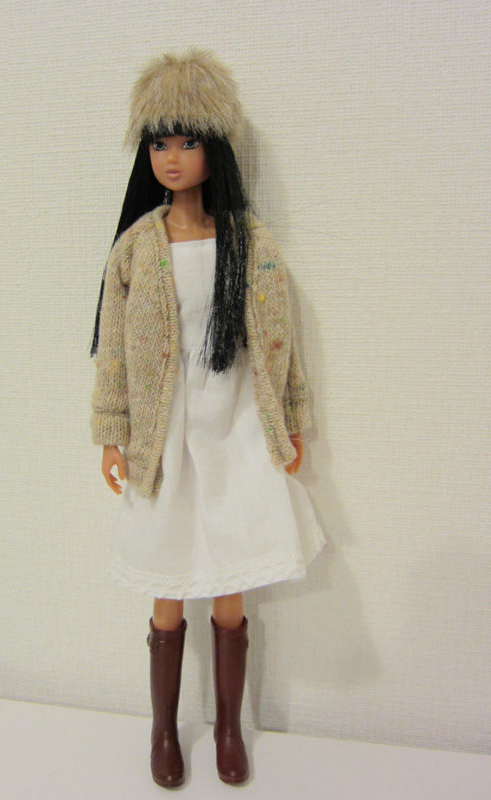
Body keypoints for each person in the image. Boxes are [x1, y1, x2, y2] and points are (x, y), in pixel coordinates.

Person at [90, 49, 325, 788]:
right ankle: (163, 729)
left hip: (235, 433)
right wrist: (112, 434)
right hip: (165, 441)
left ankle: (228, 728)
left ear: (213, 148)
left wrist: (290, 420)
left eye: (186, 141)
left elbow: (279, 341)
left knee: (231, 586)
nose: (171, 157)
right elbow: (113, 352)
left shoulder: (248, 244)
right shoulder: (136, 249)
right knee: (167, 590)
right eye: (158, 142)